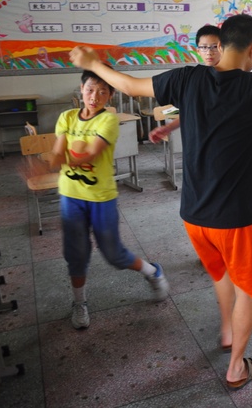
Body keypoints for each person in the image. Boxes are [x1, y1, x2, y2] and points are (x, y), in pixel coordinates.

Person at [69, 14, 252, 390]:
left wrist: (93, 63)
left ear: (222, 44)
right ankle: (237, 367)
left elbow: (129, 85)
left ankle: (227, 332)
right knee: (248, 292)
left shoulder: (186, 78)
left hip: (193, 214)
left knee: (221, 275)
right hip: (234, 219)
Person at [50, 69, 169, 330]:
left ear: (111, 95)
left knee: (114, 254)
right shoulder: (66, 117)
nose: (95, 96)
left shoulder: (108, 120)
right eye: (90, 89)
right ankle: (79, 302)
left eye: (103, 91)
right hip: (71, 196)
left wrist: (55, 160)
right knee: (75, 254)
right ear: (81, 89)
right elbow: (57, 151)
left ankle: (153, 272)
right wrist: (53, 159)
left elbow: (91, 154)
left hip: (101, 197)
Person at [149, 25, 221, 143]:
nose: (209, 52)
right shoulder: (196, 78)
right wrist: (168, 127)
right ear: (198, 51)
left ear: (223, 48)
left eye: (214, 47)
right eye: (204, 47)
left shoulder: (231, 77)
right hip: (200, 143)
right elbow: (193, 111)